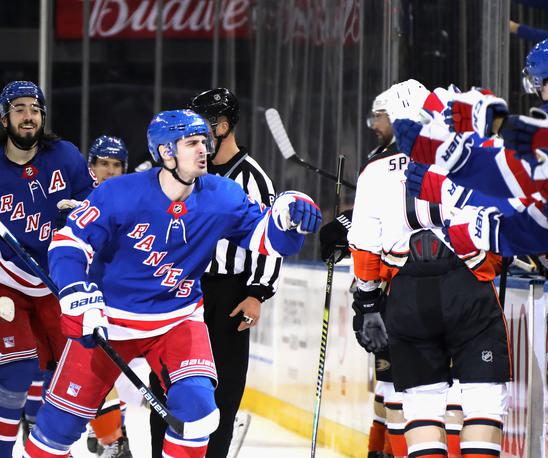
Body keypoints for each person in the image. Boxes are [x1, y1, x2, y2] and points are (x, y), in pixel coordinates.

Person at [24, 109, 321, 457]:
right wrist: (76, 290)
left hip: (178, 319)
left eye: (204, 142)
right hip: (110, 321)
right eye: (192, 143)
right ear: (166, 152)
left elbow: (265, 238)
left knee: (197, 415)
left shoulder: (222, 196)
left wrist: (287, 217)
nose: (204, 151)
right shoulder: (120, 193)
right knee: (56, 429)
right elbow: (69, 242)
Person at [348, 80, 510, 458]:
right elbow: (498, 224)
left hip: (407, 296)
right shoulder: (469, 159)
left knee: (422, 407)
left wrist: (368, 306)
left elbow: (365, 249)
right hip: (467, 287)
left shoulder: (374, 171)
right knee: (484, 403)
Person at [147, 88, 283, 457]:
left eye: (202, 126)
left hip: (228, 295)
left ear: (222, 126)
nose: (194, 136)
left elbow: (270, 237)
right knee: (164, 386)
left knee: (221, 391)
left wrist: (257, 292)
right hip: (179, 289)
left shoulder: (254, 179)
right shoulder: (183, 171)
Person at [0, 80, 96, 457]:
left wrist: (84, 214)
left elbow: (96, 206)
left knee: (62, 374)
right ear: (5, 117)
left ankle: (49, 447)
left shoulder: (66, 156)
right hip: (8, 282)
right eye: (20, 108)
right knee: (17, 371)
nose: (29, 116)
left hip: (56, 278)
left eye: (35, 109)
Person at [85, 135, 134, 457]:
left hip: (126, 300)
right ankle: (114, 436)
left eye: (116, 165)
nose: (110, 170)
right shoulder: (79, 201)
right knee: (96, 370)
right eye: (104, 163)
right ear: (92, 167)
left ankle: (112, 429)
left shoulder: (137, 201)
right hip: (88, 300)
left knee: (117, 375)